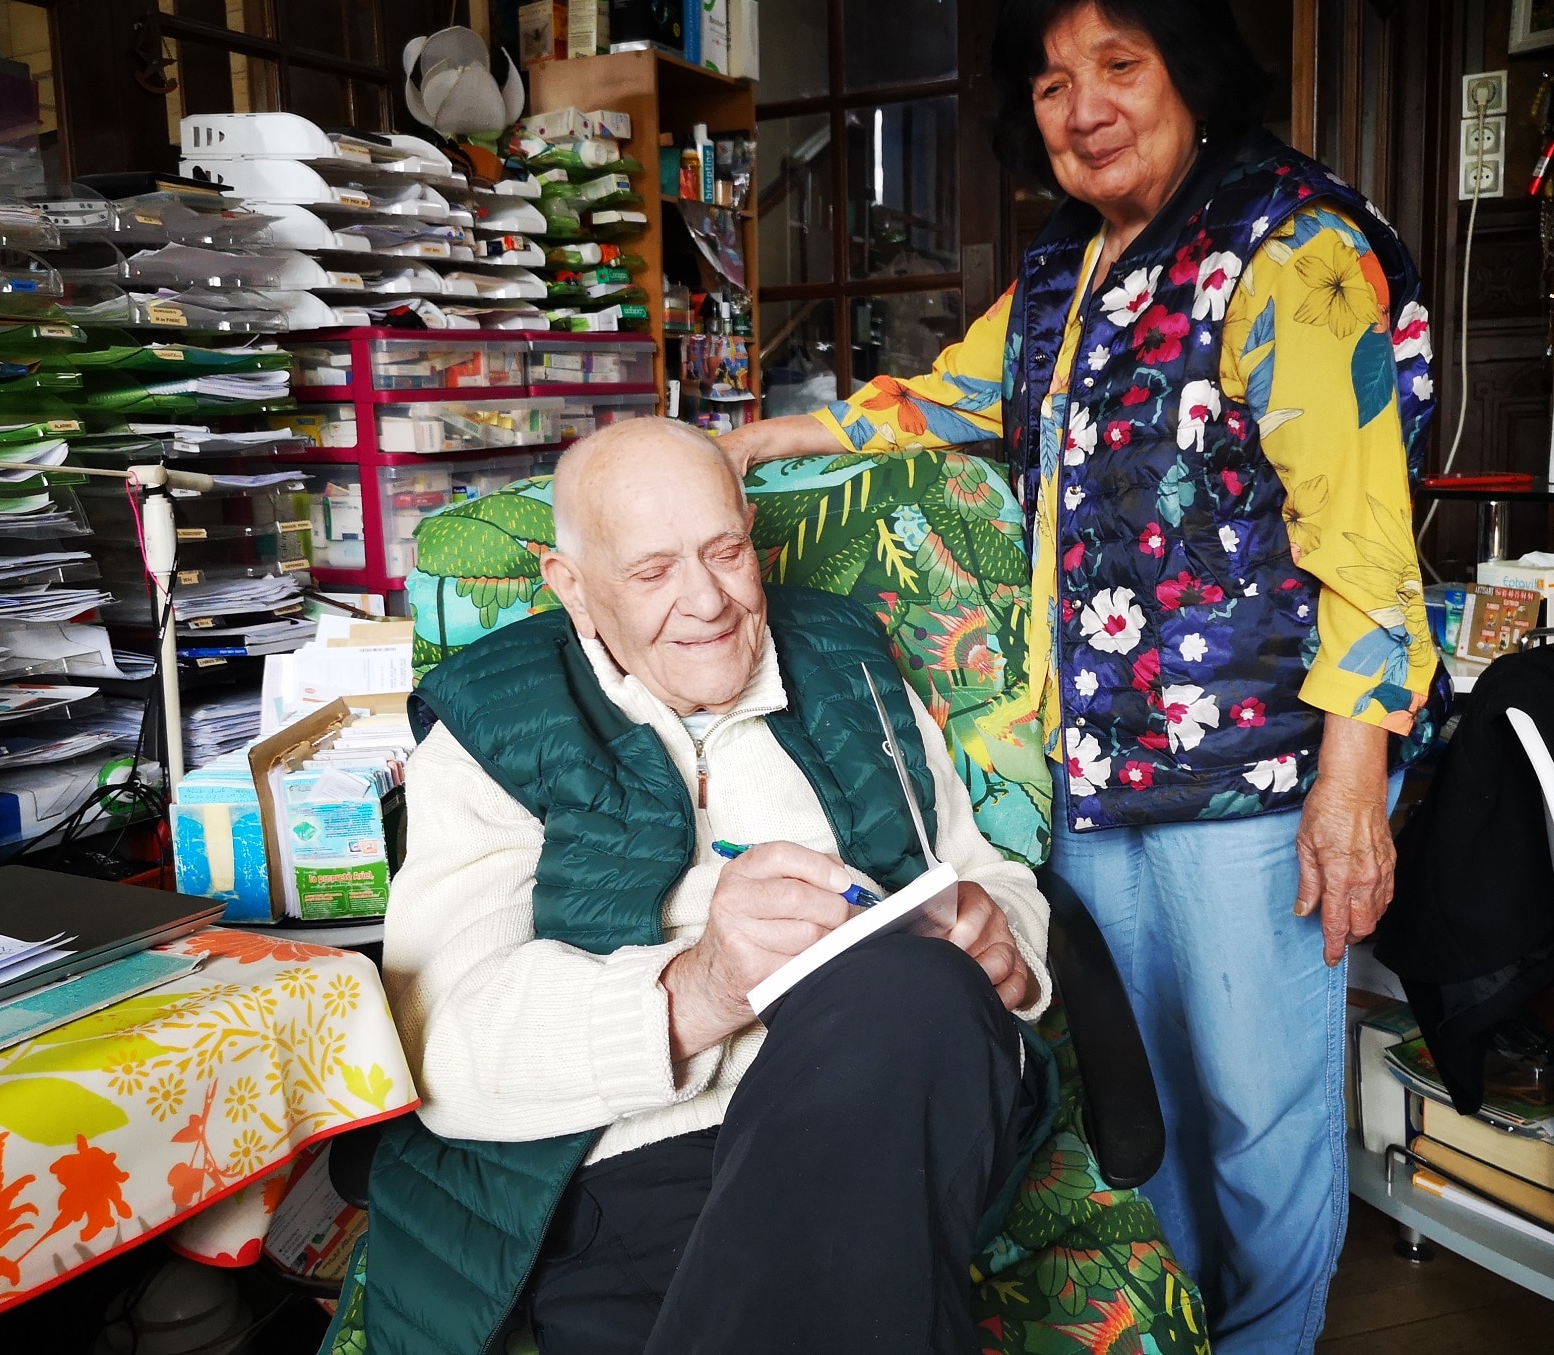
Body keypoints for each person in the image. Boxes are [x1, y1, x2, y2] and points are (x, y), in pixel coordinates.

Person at [721, 0, 1447, 1355]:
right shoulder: (1069, 267)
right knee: (1144, 1107)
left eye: (1119, 64)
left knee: (1260, 1111)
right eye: (1053, 83)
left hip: (1257, 786)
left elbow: (1366, 543)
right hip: (1097, 780)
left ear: (1192, 72)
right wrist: (756, 442)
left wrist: (1353, 783)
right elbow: (945, 398)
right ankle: (1184, 1335)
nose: (1085, 107)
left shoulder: (1290, 251)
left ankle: (1270, 1343)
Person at [369, 417, 1057, 1355]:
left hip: (883, 1123)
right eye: (652, 573)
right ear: (573, 588)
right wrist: (701, 986)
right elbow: (441, 1050)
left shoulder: (849, 667)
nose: (707, 602)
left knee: (917, 990)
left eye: (726, 552)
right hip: (632, 1174)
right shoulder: (493, 726)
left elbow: (984, 875)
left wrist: (1002, 943)